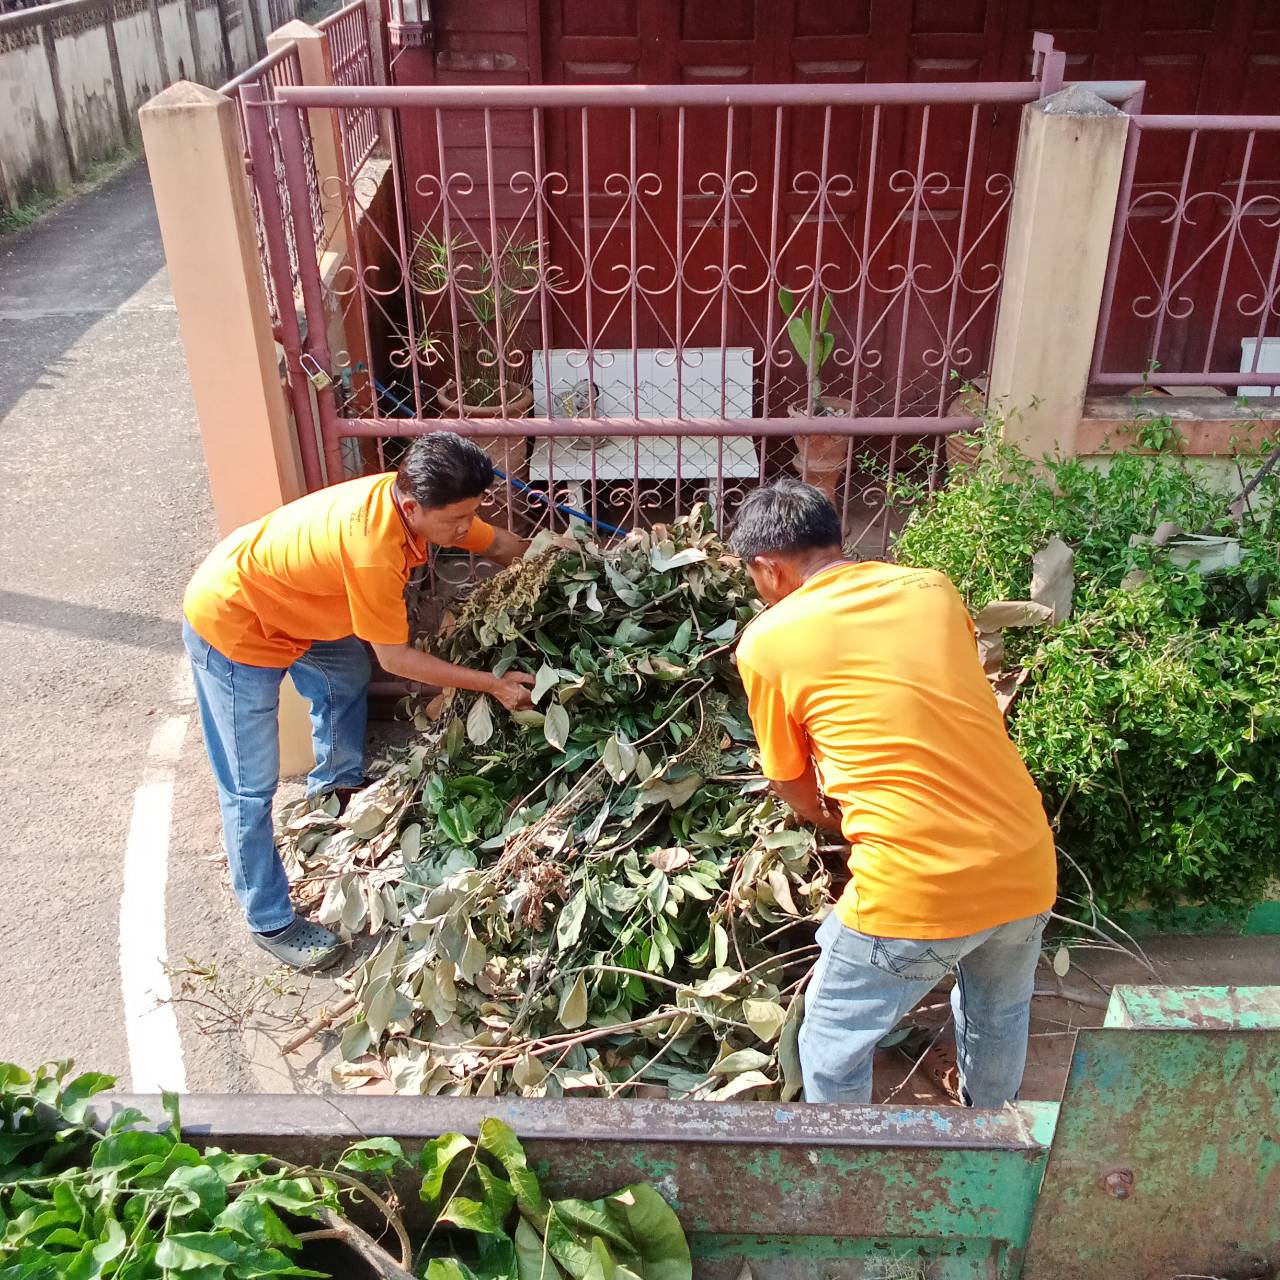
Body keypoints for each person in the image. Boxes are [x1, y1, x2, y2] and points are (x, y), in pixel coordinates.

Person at [729, 479, 1056, 1106]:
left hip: (917, 883)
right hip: (1025, 859)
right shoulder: (933, 589)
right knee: (997, 1016)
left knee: (830, 1042)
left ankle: (848, 1155)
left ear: (768, 568)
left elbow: (788, 778)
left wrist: (830, 820)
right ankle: (993, 1137)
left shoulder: (767, 641)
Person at [182, 433, 535, 970]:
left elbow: (499, 545)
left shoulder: (418, 499)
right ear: (412, 508)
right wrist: (492, 683)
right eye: (457, 520)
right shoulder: (373, 550)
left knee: (344, 671)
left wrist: (566, 559)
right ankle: (269, 919)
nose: (466, 528)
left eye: (472, 513)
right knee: (248, 785)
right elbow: (396, 659)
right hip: (235, 624)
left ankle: (336, 783)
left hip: (293, 603)